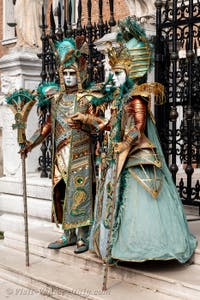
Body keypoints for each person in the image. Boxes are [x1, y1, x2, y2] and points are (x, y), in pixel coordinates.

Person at [89, 17, 197, 263]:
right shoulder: (120, 98)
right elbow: (110, 124)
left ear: (130, 72)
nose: (114, 78)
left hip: (135, 155)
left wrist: (126, 143)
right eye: (113, 72)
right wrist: (88, 121)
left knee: (139, 200)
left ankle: (141, 245)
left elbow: (139, 127)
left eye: (118, 73)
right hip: (118, 155)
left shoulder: (136, 98)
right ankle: (113, 245)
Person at [23, 37, 105, 253]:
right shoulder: (56, 99)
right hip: (60, 154)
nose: (69, 77)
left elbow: (103, 124)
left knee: (80, 193)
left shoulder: (88, 98)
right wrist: (29, 144)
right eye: (65, 73)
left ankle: (83, 236)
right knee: (62, 192)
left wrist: (86, 120)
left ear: (80, 74)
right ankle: (67, 234)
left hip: (80, 153)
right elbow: (47, 127)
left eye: (72, 73)